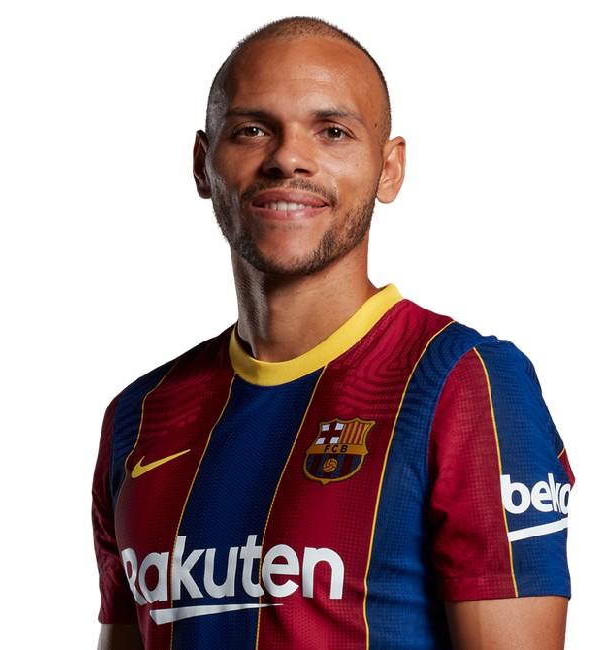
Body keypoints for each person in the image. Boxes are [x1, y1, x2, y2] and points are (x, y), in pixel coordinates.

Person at [92, 15, 575, 650]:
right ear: (203, 165)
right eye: (252, 129)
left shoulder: (465, 383)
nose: (288, 158)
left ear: (389, 169)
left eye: (333, 131)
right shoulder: (139, 416)